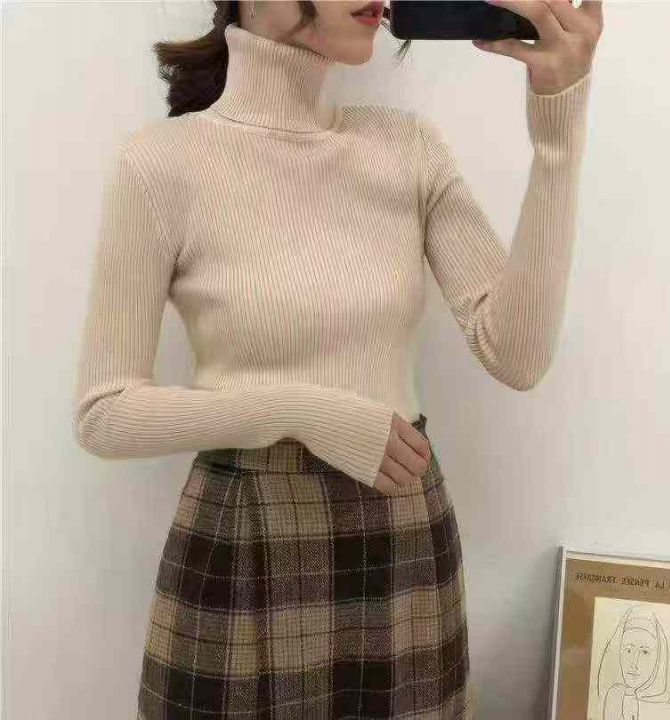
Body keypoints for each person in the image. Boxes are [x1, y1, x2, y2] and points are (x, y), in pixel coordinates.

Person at [72, 1, 601, 717]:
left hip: (398, 530)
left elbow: (519, 354)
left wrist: (558, 130)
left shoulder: (407, 149)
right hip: (246, 537)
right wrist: (303, 412)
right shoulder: (162, 163)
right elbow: (104, 414)